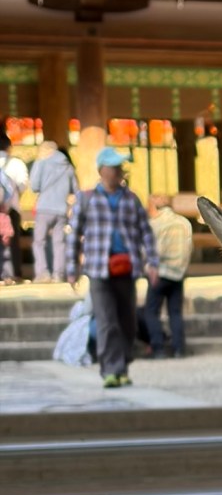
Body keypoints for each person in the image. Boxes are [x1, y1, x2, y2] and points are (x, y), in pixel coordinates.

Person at [69, 146, 158, 388]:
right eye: (114, 167)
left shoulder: (131, 199)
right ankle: (111, 369)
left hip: (127, 269)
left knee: (127, 321)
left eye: (120, 167)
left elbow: (145, 233)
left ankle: (123, 364)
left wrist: (152, 262)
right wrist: (71, 268)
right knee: (107, 321)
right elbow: (74, 234)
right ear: (102, 170)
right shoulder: (86, 199)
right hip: (99, 269)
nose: (119, 172)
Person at [144, 193, 193, 358]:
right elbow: (189, 247)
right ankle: (179, 349)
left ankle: (158, 348)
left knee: (151, 311)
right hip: (178, 273)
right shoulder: (184, 223)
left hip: (160, 272)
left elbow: (152, 251)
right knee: (175, 312)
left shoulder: (155, 224)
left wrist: (148, 267)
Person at [29, 141, 79, 282]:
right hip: (62, 209)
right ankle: (59, 274)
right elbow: (75, 189)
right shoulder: (68, 166)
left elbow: (34, 186)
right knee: (59, 243)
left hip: (44, 207)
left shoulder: (41, 163)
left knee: (39, 242)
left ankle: (43, 273)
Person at [0, 130, 28, 282]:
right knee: (11, 242)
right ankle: (13, 274)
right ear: (9, 147)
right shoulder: (16, 163)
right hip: (11, 209)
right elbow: (23, 184)